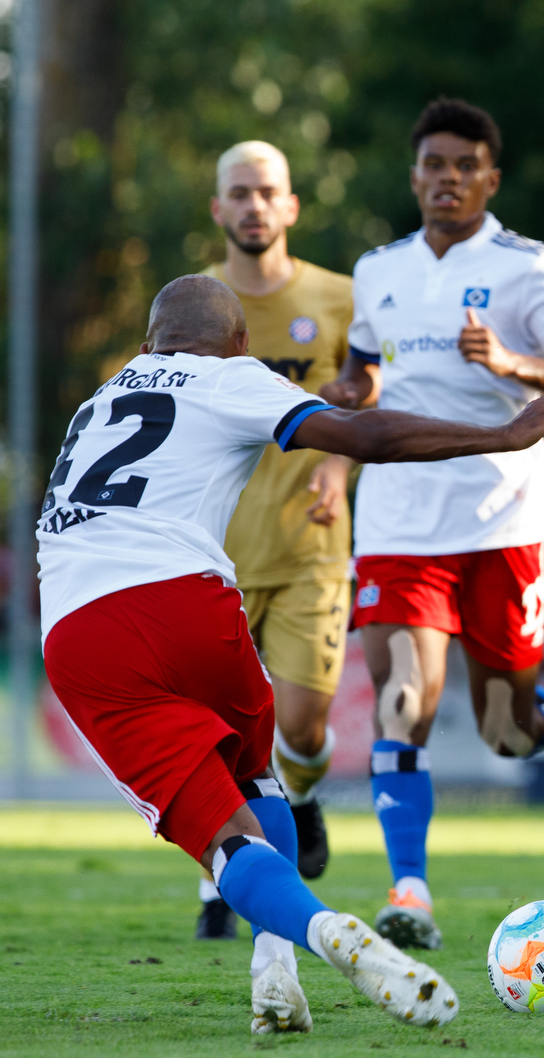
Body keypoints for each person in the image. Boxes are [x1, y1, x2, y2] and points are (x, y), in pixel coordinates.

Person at [38, 274, 544, 1034]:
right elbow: (362, 435)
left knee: (224, 841)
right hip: (184, 600)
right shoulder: (232, 375)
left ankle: (311, 939)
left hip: (77, 629)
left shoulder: (97, 400)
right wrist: (501, 436)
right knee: (259, 775)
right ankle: (279, 960)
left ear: (144, 344)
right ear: (240, 345)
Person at [323, 98, 544, 951]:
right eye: (433, 166)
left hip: (501, 519)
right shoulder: (377, 269)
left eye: (465, 166)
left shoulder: (530, 266)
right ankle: (408, 888)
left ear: (490, 178)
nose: (447, 179)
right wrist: (342, 402)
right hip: (396, 520)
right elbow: (362, 374)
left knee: (506, 732)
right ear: (414, 176)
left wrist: (509, 362)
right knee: (402, 701)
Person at [189, 140, 355, 941]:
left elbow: (366, 393)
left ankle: (305, 791)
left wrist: (339, 468)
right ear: (218, 209)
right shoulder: (194, 309)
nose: (254, 205)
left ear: (290, 206)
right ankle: (219, 886)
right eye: (239, 193)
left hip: (308, 552)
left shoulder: (337, 296)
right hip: (211, 555)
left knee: (303, 729)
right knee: (216, 729)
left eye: (268, 192)